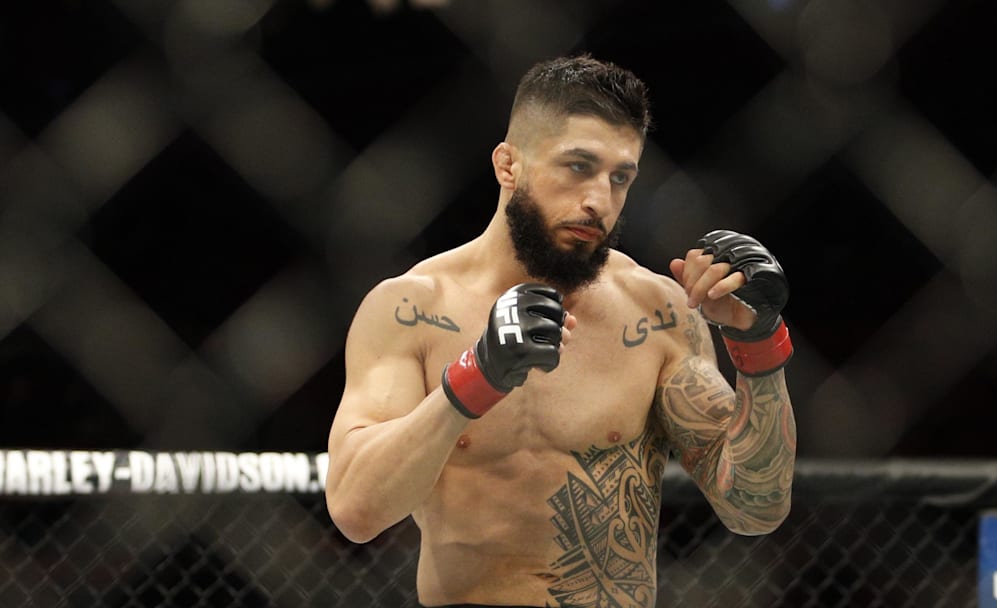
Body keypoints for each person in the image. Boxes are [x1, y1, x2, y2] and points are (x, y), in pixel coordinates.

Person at [326, 54, 796, 608]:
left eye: (621, 178)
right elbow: (357, 510)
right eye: (578, 166)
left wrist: (759, 344)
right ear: (508, 165)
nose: (600, 200)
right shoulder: (413, 309)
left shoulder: (658, 312)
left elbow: (754, 507)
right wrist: (474, 382)